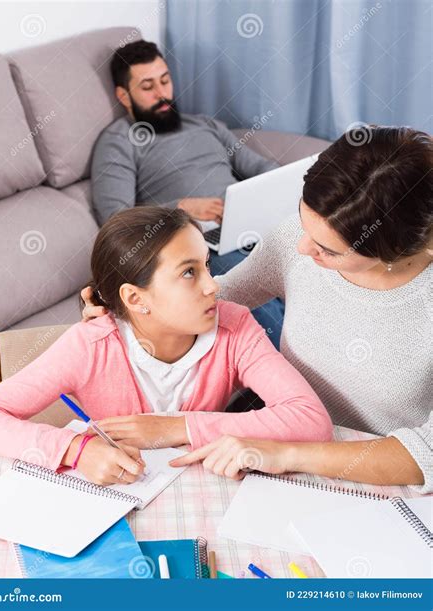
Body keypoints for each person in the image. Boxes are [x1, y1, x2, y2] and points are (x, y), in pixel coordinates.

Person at [85, 126, 433, 492]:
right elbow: (219, 300)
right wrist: (125, 311)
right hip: (277, 441)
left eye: (327, 250)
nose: (301, 249)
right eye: (303, 224)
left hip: (385, 481)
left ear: (393, 252)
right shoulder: (294, 242)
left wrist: (285, 454)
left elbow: (426, 455)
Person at [0, 207, 332, 486]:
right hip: (118, 499)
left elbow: (312, 421)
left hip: (202, 493)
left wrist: (177, 427)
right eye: (189, 272)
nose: (213, 285)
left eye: (205, 264)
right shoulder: (90, 345)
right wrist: (77, 450)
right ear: (136, 299)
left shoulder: (235, 328)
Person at [91, 39, 285, 345]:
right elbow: (117, 221)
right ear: (123, 95)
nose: (162, 94)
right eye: (147, 86)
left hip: (248, 222)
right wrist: (182, 208)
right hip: (194, 240)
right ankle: (301, 378)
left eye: (165, 81)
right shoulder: (118, 141)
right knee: (256, 289)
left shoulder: (204, 125)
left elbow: (263, 167)